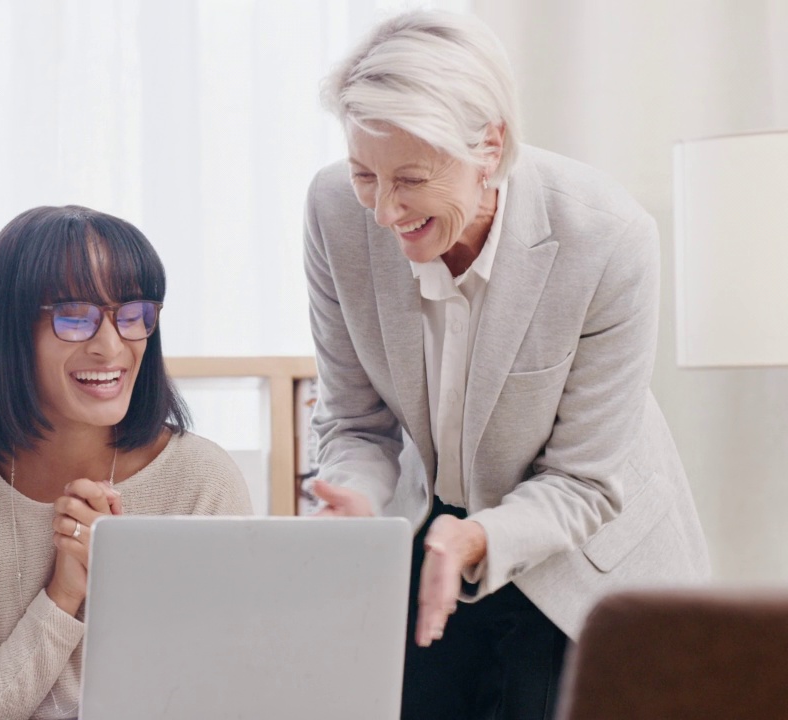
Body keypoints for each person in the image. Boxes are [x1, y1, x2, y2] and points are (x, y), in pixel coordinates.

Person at [303, 10, 709, 719]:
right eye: (366, 173)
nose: (383, 211)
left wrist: (481, 536)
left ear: (489, 146)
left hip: (579, 551)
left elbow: (584, 480)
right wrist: (357, 503)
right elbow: (355, 425)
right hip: (433, 534)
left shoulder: (608, 239)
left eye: (411, 179)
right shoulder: (334, 210)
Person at [0, 205, 251, 720]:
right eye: (75, 317)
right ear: (10, 333)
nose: (112, 346)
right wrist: (62, 596)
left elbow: (221, 698)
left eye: (132, 314)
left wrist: (122, 577)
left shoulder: (202, 482)